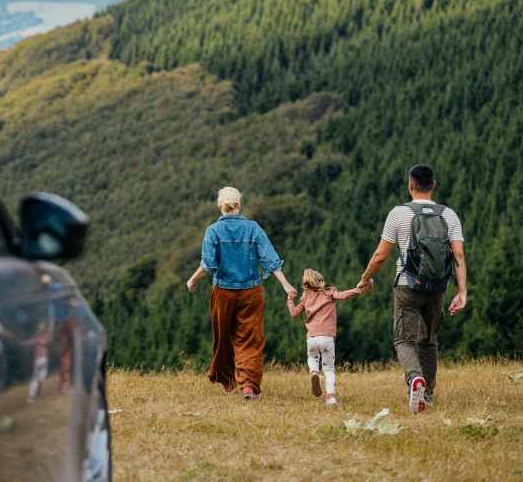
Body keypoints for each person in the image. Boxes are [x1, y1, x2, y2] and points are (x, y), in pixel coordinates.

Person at [357, 164, 468, 413]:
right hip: (437, 287)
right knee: (428, 341)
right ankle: (426, 394)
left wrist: (365, 278)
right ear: (434, 185)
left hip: (407, 285)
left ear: (410, 185)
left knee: (404, 340)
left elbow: (381, 256)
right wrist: (462, 291)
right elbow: (458, 253)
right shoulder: (448, 215)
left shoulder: (398, 214)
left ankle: (415, 378)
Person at [186, 186, 298, 400]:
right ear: (239, 205)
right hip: (251, 292)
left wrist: (192, 279)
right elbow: (270, 259)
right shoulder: (253, 228)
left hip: (223, 293)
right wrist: (286, 285)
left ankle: (227, 380)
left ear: (221, 207)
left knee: (224, 336)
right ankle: (248, 386)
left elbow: (208, 265)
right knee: (250, 338)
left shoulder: (213, 231)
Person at [287, 269, 371, 406]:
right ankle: (330, 397)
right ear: (320, 282)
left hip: (312, 338)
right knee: (329, 369)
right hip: (327, 338)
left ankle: (314, 372)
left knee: (312, 358)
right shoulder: (329, 293)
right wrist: (359, 290)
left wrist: (290, 299)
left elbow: (295, 313)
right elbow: (343, 295)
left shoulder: (305, 297)